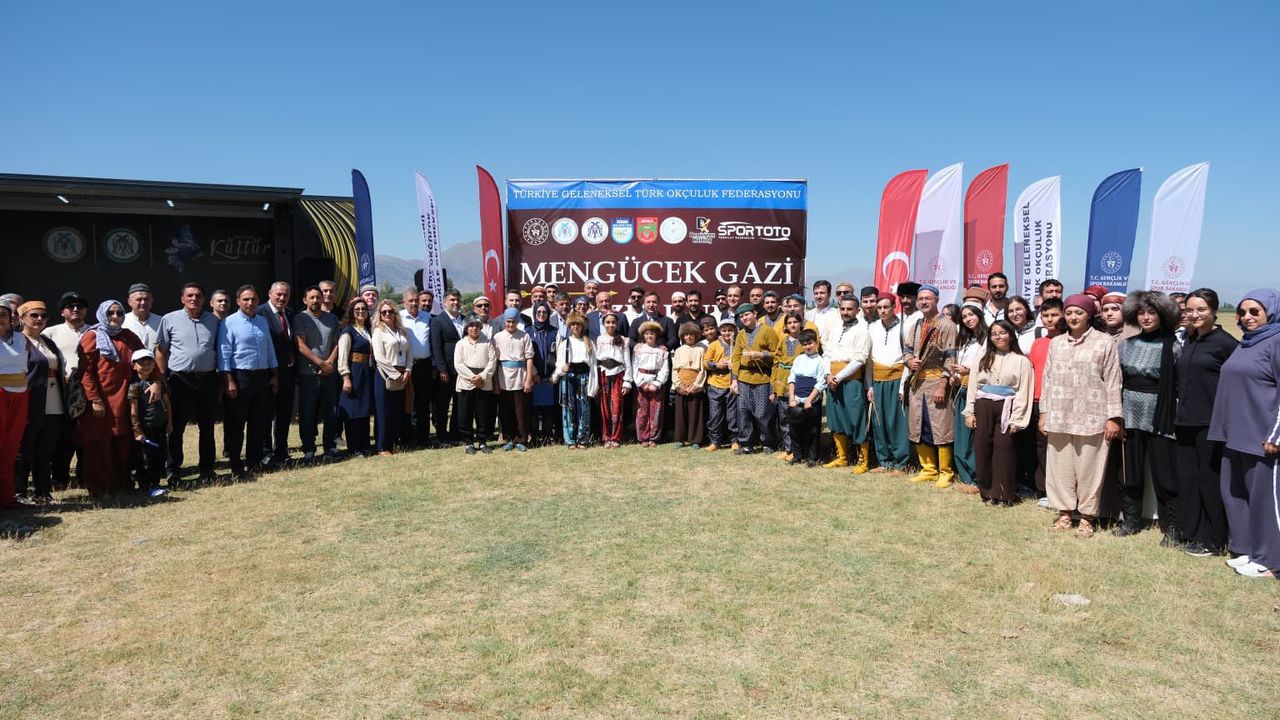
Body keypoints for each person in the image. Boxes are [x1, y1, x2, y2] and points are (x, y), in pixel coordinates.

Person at [1208, 289, 1280, 578]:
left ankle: (1272, 560)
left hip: (1262, 437)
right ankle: (1249, 550)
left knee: (1265, 501)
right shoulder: (1247, 342)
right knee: (1236, 494)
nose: (1247, 317)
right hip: (1235, 434)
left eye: (1255, 311)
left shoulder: (1276, 341)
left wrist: (1276, 435)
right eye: (1242, 312)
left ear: (1271, 312)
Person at [1039, 294, 1123, 537]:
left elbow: (1113, 381)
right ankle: (1064, 513)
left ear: (1089, 315)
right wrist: (1044, 412)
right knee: (1060, 467)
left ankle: (1087, 517)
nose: (1073, 317)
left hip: (1093, 416)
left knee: (1089, 469)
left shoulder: (1104, 342)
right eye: (1069, 313)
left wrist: (1113, 417)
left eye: (1079, 313)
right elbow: (1047, 379)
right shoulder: (1057, 343)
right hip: (1059, 414)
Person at [1114, 291, 1183, 541]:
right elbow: (1118, 380)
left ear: (1162, 315)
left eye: (1152, 312)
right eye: (1141, 312)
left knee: (1165, 472)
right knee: (1129, 470)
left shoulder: (1174, 347)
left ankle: (1172, 527)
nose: (1146, 317)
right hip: (1129, 412)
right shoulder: (1126, 345)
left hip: (1161, 414)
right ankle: (1131, 521)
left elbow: (1179, 385)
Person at [1173, 288, 1236, 556]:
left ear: (1214, 311)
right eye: (1190, 310)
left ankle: (1215, 539)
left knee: (1210, 481)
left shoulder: (1226, 343)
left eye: (1201, 309)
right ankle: (1192, 533)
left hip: (1211, 424)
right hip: (1185, 422)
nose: (1194, 314)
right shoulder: (1189, 339)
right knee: (1188, 480)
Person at [78, 300, 145, 497]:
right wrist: (94, 399)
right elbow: (86, 372)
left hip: (125, 400)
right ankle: (100, 488)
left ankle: (120, 484)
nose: (115, 317)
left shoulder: (129, 336)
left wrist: (157, 382)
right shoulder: (92, 336)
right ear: (101, 314)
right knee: (100, 445)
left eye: (119, 313)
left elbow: (145, 358)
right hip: (101, 403)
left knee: (122, 444)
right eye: (110, 313)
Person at [155, 282, 219, 486]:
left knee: (207, 427)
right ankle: (174, 471)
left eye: (198, 295)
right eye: (190, 295)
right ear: (182, 298)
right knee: (176, 428)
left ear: (204, 299)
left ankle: (207, 469)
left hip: (208, 379)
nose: (194, 299)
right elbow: (161, 351)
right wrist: (162, 378)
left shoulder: (214, 321)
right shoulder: (169, 319)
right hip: (179, 380)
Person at [964, 320, 1033, 506]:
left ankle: (1003, 494)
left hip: (1007, 407)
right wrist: (970, 412)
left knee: (1005, 450)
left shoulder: (1022, 361)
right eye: (994, 334)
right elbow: (973, 386)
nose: (998, 337)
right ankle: (986, 493)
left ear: (1010, 335)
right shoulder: (982, 359)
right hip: (983, 405)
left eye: (1002, 333)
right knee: (982, 448)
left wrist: (1017, 419)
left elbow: (1024, 391)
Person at [218, 285, 278, 478]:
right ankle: (236, 465)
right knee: (237, 423)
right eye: (246, 299)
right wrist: (228, 380)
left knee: (257, 422)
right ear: (238, 301)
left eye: (253, 299)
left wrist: (274, 374)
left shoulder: (262, 321)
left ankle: (254, 462)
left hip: (261, 377)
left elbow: (269, 349)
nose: (250, 303)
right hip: (240, 377)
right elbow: (224, 353)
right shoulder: (229, 323)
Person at [903, 285, 958, 486]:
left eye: (928, 298)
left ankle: (946, 471)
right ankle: (928, 469)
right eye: (921, 299)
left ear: (937, 300)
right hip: (917, 383)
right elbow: (907, 350)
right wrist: (910, 361)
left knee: (941, 426)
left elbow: (951, 357)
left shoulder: (947, 325)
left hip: (937, 381)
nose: (924, 302)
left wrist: (943, 385)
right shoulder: (916, 324)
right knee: (919, 425)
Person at [15, 301, 66, 503]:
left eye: (43, 316)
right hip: (30, 401)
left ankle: (43, 492)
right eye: (34, 315)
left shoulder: (47, 342)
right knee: (25, 448)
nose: (39, 319)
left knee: (46, 449)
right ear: (22, 318)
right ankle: (19, 492)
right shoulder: (17, 341)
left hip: (53, 402)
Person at [42, 291, 89, 489]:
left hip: (87, 389)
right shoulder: (50, 333)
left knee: (85, 433)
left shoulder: (94, 331)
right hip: (62, 388)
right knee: (62, 435)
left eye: (80, 306)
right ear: (62, 312)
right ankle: (60, 477)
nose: (76, 309)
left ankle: (84, 477)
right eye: (70, 306)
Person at [822, 297, 872, 472]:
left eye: (849, 309)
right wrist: (828, 374)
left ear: (857, 310)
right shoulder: (836, 329)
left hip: (850, 380)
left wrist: (838, 377)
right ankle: (842, 457)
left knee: (856, 418)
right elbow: (827, 354)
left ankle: (863, 461)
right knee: (835, 417)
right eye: (842, 309)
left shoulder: (862, 330)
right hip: (832, 379)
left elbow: (859, 359)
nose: (845, 312)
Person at [293, 286, 341, 462]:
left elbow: (337, 343)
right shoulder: (300, 318)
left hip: (329, 373)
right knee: (307, 412)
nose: (315, 300)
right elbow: (300, 345)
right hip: (308, 374)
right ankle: (309, 448)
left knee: (332, 411)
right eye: (312, 297)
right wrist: (320, 363)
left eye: (318, 297)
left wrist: (329, 363)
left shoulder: (332, 318)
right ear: (305, 300)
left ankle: (330, 447)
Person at [1026, 299, 1065, 505]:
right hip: (1035, 400)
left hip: (1057, 402)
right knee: (1039, 447)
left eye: (1054, 315)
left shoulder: (1068, 341)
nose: (1050, 320)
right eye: (1046, 316)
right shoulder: (1038, 343)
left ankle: (1059, 490)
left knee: (1057, 449)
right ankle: (1043, 489)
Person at [950, 295, 990, 494]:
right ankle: (965, 476)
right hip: (961, 390)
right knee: (961, 436)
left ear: (980, 315)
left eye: (971, 315)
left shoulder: (988, 338)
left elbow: (989, 365)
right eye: (964, 316)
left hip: (978, 393)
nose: (968, 319)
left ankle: (977, 478)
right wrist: (956, 377)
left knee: (975, 437)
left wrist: (969, 370)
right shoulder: (964, 340)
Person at [866, 292, 910, 471]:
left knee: (897, 421)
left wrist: (903, 386)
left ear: (894, 307)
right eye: (880, 308)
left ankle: (901, 462)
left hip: (897, 378)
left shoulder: (904, 326)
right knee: (879, 421)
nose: (883, 311)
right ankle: (884, 461)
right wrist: (869, 385)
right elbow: (869, 359)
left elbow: (907, 358)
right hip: (877, 379)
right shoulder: (872, 327)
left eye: (886, 307)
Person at [732, 303, 782, 453]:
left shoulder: (768, 331)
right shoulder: (741, 333)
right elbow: (736, 357)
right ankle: (746, 444)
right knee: (743, 411)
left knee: (762, 412)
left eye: (747, 314)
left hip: (762, 378)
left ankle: (768, 442)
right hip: (743, 378)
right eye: (741, 316)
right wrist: (734, 379)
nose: (744, 318)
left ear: (754, 314)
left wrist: (761, 355)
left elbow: (778, 355)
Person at [259, 281, 295, 466]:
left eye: (285, 295)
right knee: (265, 415)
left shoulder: (290, 313)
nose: (282, 298)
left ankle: (281, 450)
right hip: (267, 374)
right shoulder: (260, 313)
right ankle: (265, 453)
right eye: (278, 294)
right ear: (269, 294)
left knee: (284, 414)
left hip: (287, 373)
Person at [128, 349, 171, 498]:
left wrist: (170, 422)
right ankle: (146, 486)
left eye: (149, 363)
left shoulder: (158, 384)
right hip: (146, 428)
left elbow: (167, 403)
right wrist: (137, 430)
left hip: (160, 425)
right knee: (146, 458)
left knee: (160, 455)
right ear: (134, 366)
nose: (146, 366)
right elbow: (133, 410)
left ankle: (156, 484)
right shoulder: (134, 386)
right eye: (142, 363)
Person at [371, 299, 410, 455]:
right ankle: (382, 446)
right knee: (383, 412)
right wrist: (394, 374)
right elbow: (379, 357)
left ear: (395, 313)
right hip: (385, 375)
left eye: (390, 311)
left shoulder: (402, 331)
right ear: (380, 314)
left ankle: (393, 442)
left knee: (397, 410)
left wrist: (407, 370)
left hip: (402, 375)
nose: (387, 314)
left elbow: (409, 352)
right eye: (384, 312)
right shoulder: (378, 331)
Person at [0, 301, 29, 507]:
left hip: (20, 395)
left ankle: (6, 497)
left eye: (3, 314)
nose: (0, 319)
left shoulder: (20, 338)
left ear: (11, 317)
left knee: (11, 447)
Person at [551, 313, 596, 448]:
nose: (575, 327)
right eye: (573, 324)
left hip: (584, 378)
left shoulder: (589, 343)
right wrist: (560, 370)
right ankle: (570, 439)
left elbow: (593, 366)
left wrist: (593, 386)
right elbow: (559, 363)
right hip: (569, 378)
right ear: (569, 326)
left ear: (582, 326)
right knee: (569, 408)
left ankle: (582, 439)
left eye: (578, 324)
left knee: (584, 408)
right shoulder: (565, 343)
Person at [336, 299, 374, 457]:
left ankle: (364, 445)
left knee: (364, 410)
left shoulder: (367, 330)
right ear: (351, 311)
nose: (361, 311)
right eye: (357, 309)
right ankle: (354, 447)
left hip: (367, 372)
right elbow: (342, 356)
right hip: (354, 372)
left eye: (363, 308)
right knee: (353, 410)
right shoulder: (348, 331)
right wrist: (346, 377)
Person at [454, 314, 497, 454]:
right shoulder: (460, 344)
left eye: (477, 326)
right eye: (471, 326)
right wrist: (472, 377)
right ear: (466, 328)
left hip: (484, 382)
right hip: (466, 382)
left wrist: (482, 377)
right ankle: (468, 442)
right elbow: (458, 364)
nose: (474, 328)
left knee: (483, 413)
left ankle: (482, 441)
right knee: (465, 413)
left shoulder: (487, 342)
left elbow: (492, 361)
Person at [492, 308, 534, 451]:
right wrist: (496, 382)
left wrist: (528, 379)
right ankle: (509, 438)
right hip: (503, 377)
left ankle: (522, 439)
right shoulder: (497, 337)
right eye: (508, 322)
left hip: (520, 376)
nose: (511, 324)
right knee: (506, 410)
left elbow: (529, 358)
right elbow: (495, 361)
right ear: (504, 321)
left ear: (517, 322)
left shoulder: (524, 336)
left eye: (513, 322)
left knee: (521, 411)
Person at [786, 329, 828, 467]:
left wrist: (809, 400)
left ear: (816, 343)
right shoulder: (798, 359)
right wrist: (792, 398)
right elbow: (792, 379)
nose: (807, 346)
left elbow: (820, 383)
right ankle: (797, 455)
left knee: (812, 430)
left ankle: (812, 457)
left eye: (810, 343)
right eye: (804, 344)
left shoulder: (821, 361)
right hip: (797, 399)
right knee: (795, 429)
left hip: (812, 400)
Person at [429, 290, 466, 443]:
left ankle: (456, 433)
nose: (455, 302)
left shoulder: (465, 320)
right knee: (442, 404)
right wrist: (442, 369)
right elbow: (436, 347)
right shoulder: (438, 321)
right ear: (445, 302)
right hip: (447, 370)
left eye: (457, 300)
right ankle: (441, 434)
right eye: (452, 300)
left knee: (460, 403)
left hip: (463, 369)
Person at [401, 288, 434, 448]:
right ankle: (409, 438)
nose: (414, 303)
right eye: (411, 301)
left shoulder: (427, 317)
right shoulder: (399, 317)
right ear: (404, 302)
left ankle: (424, 437)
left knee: (423, 403)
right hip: (407, 366)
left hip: (425, 365)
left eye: (416, 300)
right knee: (408, 403)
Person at [595, 311, 631, 449]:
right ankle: (606, 437)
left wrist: (627, 381)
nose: (610, 325)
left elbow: (627, 361)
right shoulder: (600, 339)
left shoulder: (623, 340)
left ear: (617, 324)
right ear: (604, 324)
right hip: (603, 373)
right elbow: (597, 360)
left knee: (617, 406)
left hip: (618, 373)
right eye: (608, 322)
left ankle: (616, 437)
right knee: (604, 407)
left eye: (613, 322)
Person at [631, 321, 670, 447]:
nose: (649, 336)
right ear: (643, 335)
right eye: (647, 333)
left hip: (656, 382)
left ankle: (653, 437)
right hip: (642, 382)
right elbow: (634, 366)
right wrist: (641, 383)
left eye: (652, 333)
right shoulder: (638, 349)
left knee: (656, 411)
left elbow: (664, 369)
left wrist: (657, 383)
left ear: (656, 335)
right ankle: (643, 437)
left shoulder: (662, 351)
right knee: (642, 411)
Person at [771, 312, 804, 460]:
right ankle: (788, 449)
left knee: (797, 418)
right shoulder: (783, 341)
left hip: (798, 384)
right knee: (784, 419)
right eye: (789, 323)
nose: (792, 325)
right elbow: (776, 362)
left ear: (800, 323)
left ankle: (798, 450)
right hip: (782, 384)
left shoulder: (805, 340)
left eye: (795, 322)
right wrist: (774, 384)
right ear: (785, 325)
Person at [703, 318, 738, 452]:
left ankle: (734, 440)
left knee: (733, 415)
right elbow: (705, 362)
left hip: (732, 384)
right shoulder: (714, 345)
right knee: (715, 415)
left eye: (730, 330)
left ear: (735, 331)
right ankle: (715, 441)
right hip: (715, 384)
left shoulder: (738, 344)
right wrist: (717, 365)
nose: (727, 333)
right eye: (724, 330)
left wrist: (733, 365)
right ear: (719, 331)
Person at [671, 322, 708, 448]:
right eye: (686, 334)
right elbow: (675, 370)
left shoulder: (701, 350)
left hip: (694, 386)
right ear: (682, 336)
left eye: (691, 334)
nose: (689, 337)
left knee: (695, 413)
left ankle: (695, 439)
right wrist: (678, 385)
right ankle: (680, 438)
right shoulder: (679, 350)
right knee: (680, 414)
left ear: (696, 335)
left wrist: (696, 386)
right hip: (681, 385)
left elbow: (702, 370)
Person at [122, 282, 161, 350]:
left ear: (152, 300)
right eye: (139, 299)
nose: (143, 303)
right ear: (129, 302)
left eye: (146, 299)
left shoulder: (161, 321)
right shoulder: (122, 322)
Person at [806, 280, 839, 348]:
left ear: (829, 294)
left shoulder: (837, 314)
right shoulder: (807, 315)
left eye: (822, 293)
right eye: (816, 293)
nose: (819, 296)